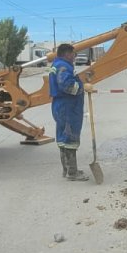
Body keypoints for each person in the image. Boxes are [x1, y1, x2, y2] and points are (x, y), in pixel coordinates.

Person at [49, 43, 86, 181]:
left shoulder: (57, 64)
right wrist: (82, 88)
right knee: (70, 137)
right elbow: (67, 85)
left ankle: (67, 169)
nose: (74, 57)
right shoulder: (63, 66)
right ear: (67, 54)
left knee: (63, 138)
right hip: (68, 107)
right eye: (73, 54)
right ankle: (72, 173)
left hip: (61, 106)